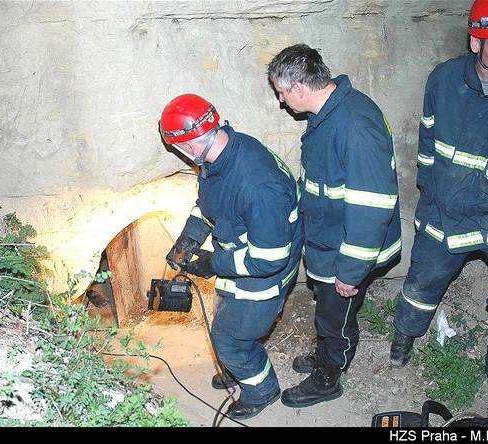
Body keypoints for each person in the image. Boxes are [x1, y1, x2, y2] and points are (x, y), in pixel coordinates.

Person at [390, 0, 488, 383]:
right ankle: (405, 335)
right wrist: (429, 192)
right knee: (422, 281)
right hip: (446, 213)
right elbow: (427, 141)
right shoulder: (443, 80)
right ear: (476, 42)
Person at [267, 44, 402, 408]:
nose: (281, 101)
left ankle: (329, 375)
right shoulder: (328, 115)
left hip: (348, 249)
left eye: (281, 93)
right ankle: (327, 354)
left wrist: (350, 271)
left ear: (299, 88)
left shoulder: (354, 127)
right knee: (328, 310)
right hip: (329, 238)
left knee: (334, 317)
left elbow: (372, 208)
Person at [159, 93, 303, 420]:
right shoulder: (219, 155)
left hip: (263, 275)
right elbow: (209, 206)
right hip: (241, 259)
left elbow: (269, 260)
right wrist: (189, 240)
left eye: (179, 150)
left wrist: (214, 264)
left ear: (190, 146)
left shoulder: (257, 185)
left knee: (229, 339)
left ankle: (261, 389)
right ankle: (238, 366)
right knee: (224, 315)